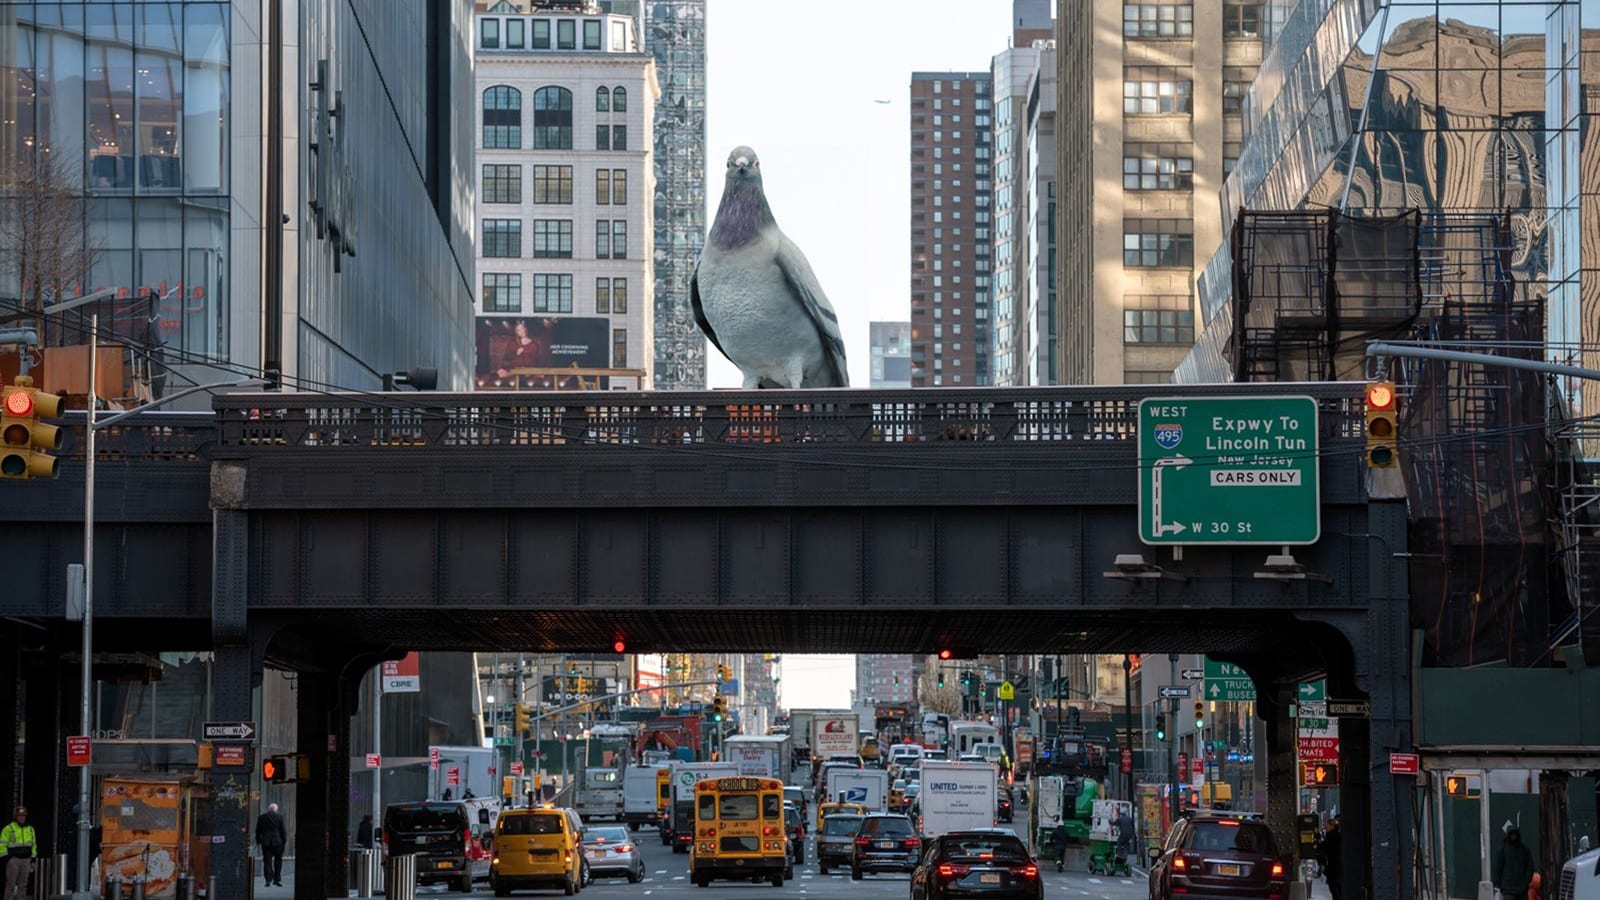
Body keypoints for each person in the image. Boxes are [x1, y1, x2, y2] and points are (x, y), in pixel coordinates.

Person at [0, 806, 36, 900]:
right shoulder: (8, 828)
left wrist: (33, 859)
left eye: (23, 815)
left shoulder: (30, 829)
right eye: (20, 815)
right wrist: (7, 859)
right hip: (14, 860)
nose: (22, 817)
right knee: (10, 884)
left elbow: (34, 845)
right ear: (15, 816)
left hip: (26, 860)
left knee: (23, 885)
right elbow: (2, 845)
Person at [1493, 825, 1536, 900]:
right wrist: (1497, 884)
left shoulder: (1525, 850)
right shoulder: (1502, 850)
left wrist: (1525, 883)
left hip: (1521, 888)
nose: (1513, 836)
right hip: (1508, 889)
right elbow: (1498, 868)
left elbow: (1530, 868)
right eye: (1512, 834)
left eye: (1515, 834)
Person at [254, 803, 287, 887]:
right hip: (277, 842)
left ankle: (268, 880)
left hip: (266, 842)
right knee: (278, 861)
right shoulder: (279, 817)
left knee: (267, 861)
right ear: (275, 809)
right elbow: (283, 831)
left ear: (269, 809)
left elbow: (258, 830)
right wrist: (284, 842)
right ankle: (277, 879)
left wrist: (258, 841)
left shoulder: (262, 817)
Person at [1320, 816, 1343, 900]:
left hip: (1334, 868)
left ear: (1332, 826)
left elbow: (1326, 851)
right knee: (1337, 889)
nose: (1326, 827)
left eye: (1327, 826)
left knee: (1334, 889)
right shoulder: (1336, 836)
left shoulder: (1331, 837)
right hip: (1336, 868)